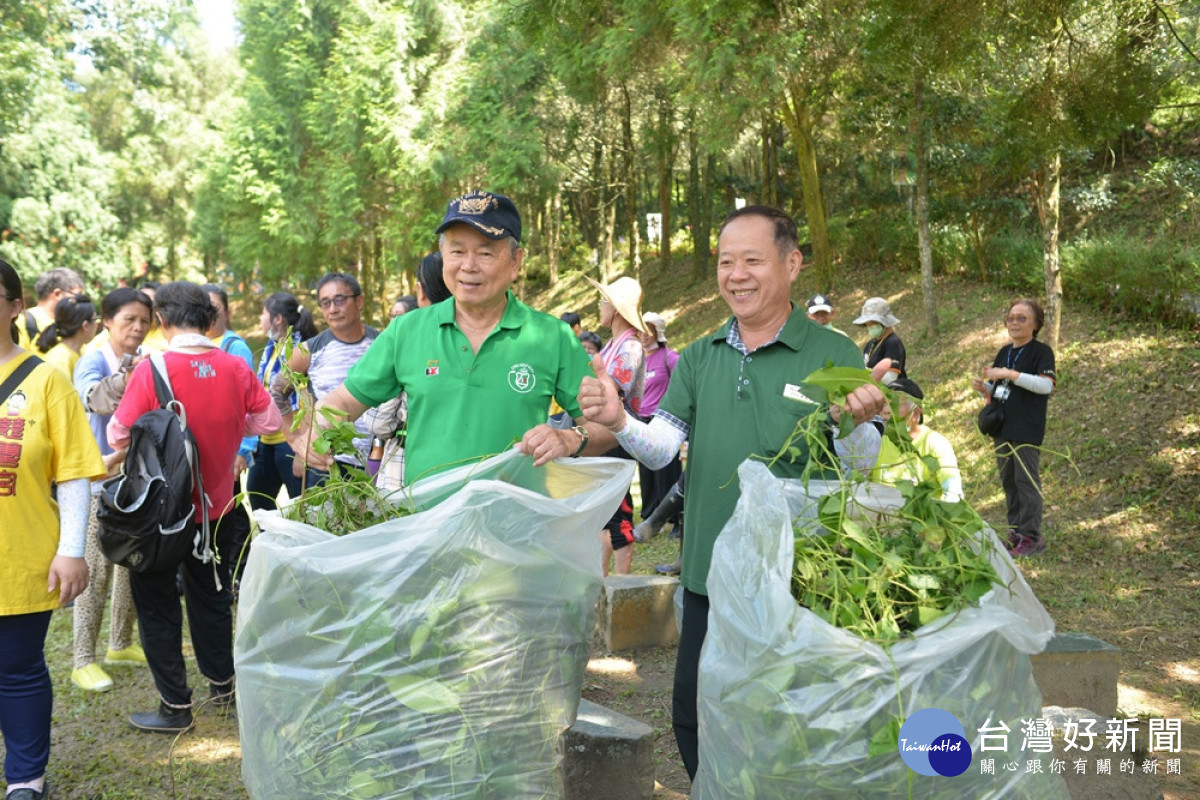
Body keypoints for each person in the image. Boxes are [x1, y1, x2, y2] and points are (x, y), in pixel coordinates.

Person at [577, 205, 889, 781]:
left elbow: (858, 466)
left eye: (752, 260)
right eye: (725, 262)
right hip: (708, 573)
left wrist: (856, 424)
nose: (736, 275)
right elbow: (664, 448)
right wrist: (621, 420)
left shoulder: (834, 353)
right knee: (694, 714)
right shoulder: (700, 355)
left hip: (799, 578)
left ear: (791, 264)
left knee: (787, 718)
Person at [292, 190, 616, 487]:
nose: (468, 266)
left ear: (516, 262)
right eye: (457, 251)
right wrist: (315, 431)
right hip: (428, 528)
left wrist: (570, 439)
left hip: (516, 530)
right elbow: (344, 402)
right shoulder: (407, 331)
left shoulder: (551, 337)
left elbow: (604, 429)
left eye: (486, 253)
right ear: (443, 256)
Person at [108, 281, 282, 733]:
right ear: (210, 319)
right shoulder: (234, 366)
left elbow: (117, 436)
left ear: (162, 321)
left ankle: (175, 708)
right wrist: (224, 422)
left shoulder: (152, 369)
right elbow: (269, 422)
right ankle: (223, 687)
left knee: (158, 606)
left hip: (162, 516)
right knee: (212, 598)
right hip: (217, 511)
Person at [1, 258, 105, 800]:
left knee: (16, 668)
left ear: (15, 306)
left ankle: (25, 778)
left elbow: (72, 477)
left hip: (18, 554)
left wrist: (71, 550)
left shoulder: (47, 381)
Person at [71, 288, 155, 693]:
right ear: (106, 320)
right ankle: (82, 659)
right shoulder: (92, 358)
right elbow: (94, 399)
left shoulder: (147, 357)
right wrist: (132, 374)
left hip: (133, 481)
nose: (138, 327)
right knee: (95, 569)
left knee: (129, 564)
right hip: (95, 481)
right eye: (129, 320)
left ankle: (120, 644)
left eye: (144, 320)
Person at [273, 273, 379, 486]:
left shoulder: (382, 345)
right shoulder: (308, 351)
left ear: (359, 301)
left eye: (340, 300)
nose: (333, 309)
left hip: (377, 461)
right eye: (326, 303)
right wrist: (295, 440)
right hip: (326, 465)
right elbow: (277, 392)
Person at [971, 298, 1056, 557]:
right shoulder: (1005, 352)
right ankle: (1016, 531)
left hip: (1026, 428)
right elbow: (1002, 391)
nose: (1014, 322)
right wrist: (985, 387)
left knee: (1026, 481)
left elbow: (1045, 386)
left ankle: (1032, 536)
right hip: (1003, 427)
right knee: (1009, 481)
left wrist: (1009, 374)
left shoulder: (1041, 352)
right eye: (1011, 318)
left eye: (1022, 318)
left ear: (1036, 324)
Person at [369, 252, 453, 491]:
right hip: (467, 469)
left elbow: (379, 423)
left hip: (406, 465)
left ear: (421, 292)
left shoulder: (408, 339)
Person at [589, 276, 647, 577]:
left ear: (617, 308)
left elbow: (613, 388)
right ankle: (601, 579)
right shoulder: (613, 344)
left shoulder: (631, 347)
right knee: (602, 510)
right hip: (603, 437)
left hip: (619, 438)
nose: (601, 305)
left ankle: (622, 582)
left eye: (604, 300)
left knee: (619, 512)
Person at [245, 292, 318, 511]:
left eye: (263, 313)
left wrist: (300, 449)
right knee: (258, 501)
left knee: (300, 507)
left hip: (289, 442)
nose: (260, 318)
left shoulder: (299, 349)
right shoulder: (272, 347)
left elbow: (308, 400)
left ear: (278, 319)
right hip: (265, 443)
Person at [204, 285, 256, 585]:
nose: (210, 312)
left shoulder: (234, 347)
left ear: (227, 310)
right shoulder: (195, 346)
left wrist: (244, 449)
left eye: (215, 306)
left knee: (231, 513)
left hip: (229, 450)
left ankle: (240, 573)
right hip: (204, 452)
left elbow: (249, 402)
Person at [870, 376, 963, 502]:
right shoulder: (876, 442)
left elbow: (953, 493)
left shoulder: (935, 444)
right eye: (884, 404)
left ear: (916, 413)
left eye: (894, 405)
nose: (886, 410)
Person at [636, 311, 682, 521]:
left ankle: (673, 517)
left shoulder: (669, 357)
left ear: (657, 332)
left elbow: (684, 383)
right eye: (639, 330)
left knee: (667, 472)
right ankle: (649, 515)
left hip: (662, 422)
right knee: (646, 472)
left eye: (648, 330)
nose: (643, 334)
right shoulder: (637, 359)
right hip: (641, 422)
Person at [14, 267, 85, 351]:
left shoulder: (71, 326)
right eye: (78, 295)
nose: (81, 302)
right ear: (58, 294)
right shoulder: (24, 321)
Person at [34, 294, 99, 377]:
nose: (97, 323)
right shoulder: (61, 359)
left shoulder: (79, 351)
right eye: (95, 319)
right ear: (85, 326)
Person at [854, 296, 906, 384]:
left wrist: (866, 375)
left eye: (873, 323)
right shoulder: (870, 344)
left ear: (884, 322)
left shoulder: (893, 343)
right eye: (867, 324)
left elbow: (890, 378)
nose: (870, 326)